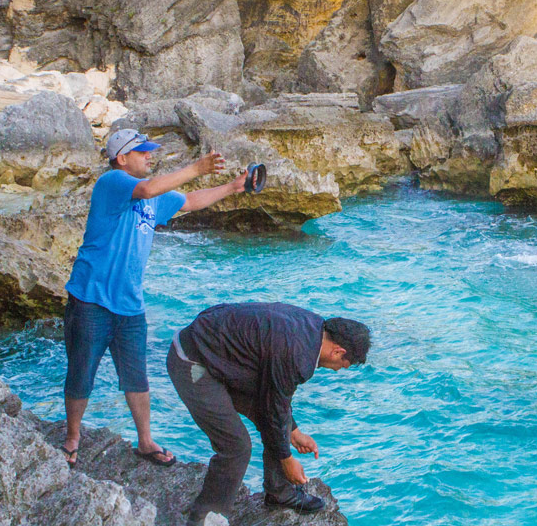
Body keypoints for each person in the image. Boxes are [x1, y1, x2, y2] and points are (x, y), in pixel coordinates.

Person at [62, 128, 255, 468]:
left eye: (150, 151)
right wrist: (197, 168)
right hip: (91, 298)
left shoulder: (153, 197)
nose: (150, 156)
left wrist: (232, 187)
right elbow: (149, 187)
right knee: (81, 372)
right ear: (122, 158)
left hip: (130, 304)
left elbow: (190, 201)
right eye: (143, 152)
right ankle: (72, 437)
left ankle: (145, 441)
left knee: (136, 376)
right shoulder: (112, 182)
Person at [167, 302, 370, 523]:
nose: (338, 369)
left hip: (222, 356)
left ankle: (279, 493)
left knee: (279, 420)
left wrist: (293, 430)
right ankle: (204, 519)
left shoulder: (313, 327)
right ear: (338, 351)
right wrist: (286, 459)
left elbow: (276, 400)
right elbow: (274, 405)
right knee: (237, 447)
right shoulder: (297, 355)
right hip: (192, 359)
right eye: (343, 365)